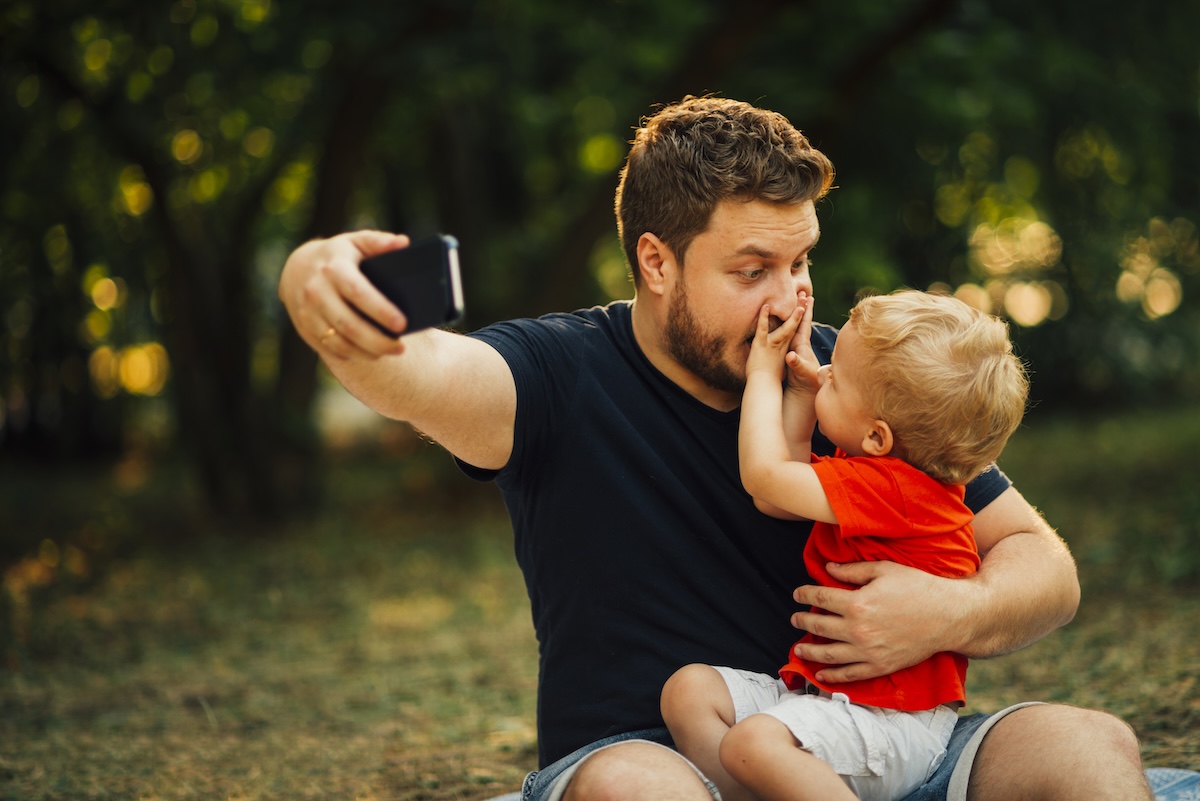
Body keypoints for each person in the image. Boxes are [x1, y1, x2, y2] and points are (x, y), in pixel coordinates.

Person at [277, 95, 1154, 801]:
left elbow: (1046, 567)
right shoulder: (556, 374)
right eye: (752, 271)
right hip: (664, 760)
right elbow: (422, 373)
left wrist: (942, 613)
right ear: (657, 263)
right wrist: (315, 281)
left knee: (1086, 743)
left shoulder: (853, 379)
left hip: (864, 748)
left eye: (802, 262)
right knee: (630, 785)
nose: (790, 301)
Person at [661, 289, 1029, 801]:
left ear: (878, 437)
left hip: (892, 722)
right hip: (835, 702)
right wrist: (800, 395)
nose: (825, 371)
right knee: (690, 692)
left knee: (753, 743)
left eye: (838, 376)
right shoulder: (888, 475)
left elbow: (765, 478)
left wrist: (764, 375)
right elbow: (782, 496)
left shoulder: (894, 490)